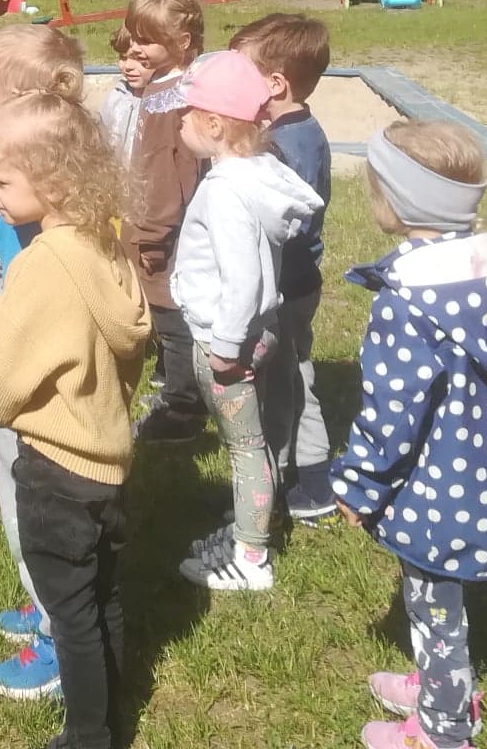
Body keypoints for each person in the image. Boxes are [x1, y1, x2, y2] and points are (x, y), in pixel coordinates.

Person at [334, 119, 487, 749]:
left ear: (397, 200)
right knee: (441, 598)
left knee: (434, 607)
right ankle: (439, 684)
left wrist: (358, 485)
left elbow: (390, 414)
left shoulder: (408, 300)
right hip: (485, 473)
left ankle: (444, 727)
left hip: (434, 486)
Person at [0, 92, 151, 749]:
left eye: (1, 181)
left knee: (69, 614)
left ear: (50, 180)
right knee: (102, 598)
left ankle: (87, 736)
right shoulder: (104, 241)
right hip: (107, 460)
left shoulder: (47, 261)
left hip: (54, 467)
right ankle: (111, 712)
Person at [0, 24, 88, 702]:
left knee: (33, 513)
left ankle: (58, 636)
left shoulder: (37, 212)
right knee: (23, 506)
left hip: (30, 394)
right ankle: (45, 601)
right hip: (11, 377)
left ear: (15, 99)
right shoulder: (24, 185)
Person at [171, 49, 321, 592]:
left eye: (186, 115)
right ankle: (255, 522)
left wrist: (224, 347)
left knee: (245, 448)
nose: (180, 124)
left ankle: (251, 557)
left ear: (214, 124)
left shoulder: (226, 191)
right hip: (262, 328)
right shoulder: (260, 173)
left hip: (228, 338)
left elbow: (242, 278)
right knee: (259, 439)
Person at [229, 13, 336, 520]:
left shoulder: (283, 146)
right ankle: (307, 475)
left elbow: (281, 222)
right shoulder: (303, 129)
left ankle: (296, 481)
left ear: (274, 84)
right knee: (296, 373)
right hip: (300, 280)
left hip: (285, 284)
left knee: (285, 383)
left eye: (241, 75)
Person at [118, 0, 209, 445]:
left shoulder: (171, 99)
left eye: (147, 40)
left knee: (173, 320)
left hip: (165, 233)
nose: (135, 47)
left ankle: (182, 407)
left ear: (182, 42)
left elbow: (167, 175)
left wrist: (150, 234)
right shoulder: (173, 87)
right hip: (169, 224)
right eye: (133, 35)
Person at [99, 24, 147, 165]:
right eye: (123, 57)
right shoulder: (116, 96)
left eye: (138, 58)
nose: (128, 66)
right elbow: (102, 138)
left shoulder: (161, 103)